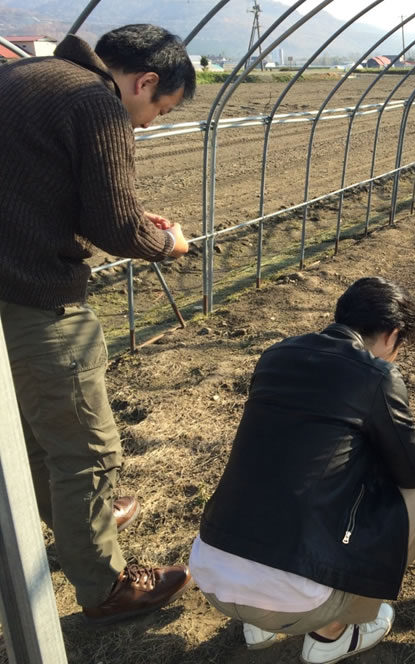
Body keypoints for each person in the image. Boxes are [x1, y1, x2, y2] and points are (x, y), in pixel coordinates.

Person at [0, 24, 196, 623]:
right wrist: (167, 242)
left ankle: (70, 526)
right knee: (86, 446)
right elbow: (113, 227)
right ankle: (106, 586)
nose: (149, 123)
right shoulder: (96, 104)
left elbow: (37, 186)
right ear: (145, 81)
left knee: (30, 432)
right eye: (158, 110)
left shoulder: (22, 76)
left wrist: (131, 214)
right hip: (37, 295)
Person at [190, 276, 415, 663]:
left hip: (213, 576)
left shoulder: (276, 354)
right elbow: (412, 473)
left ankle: (257, 627)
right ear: (392, 336)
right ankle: (332, 634)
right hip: (294, 601)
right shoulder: (376, 374)